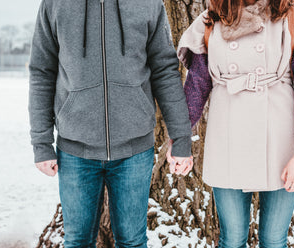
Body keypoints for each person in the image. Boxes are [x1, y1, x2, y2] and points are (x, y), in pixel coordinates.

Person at [28, 0, 194, 247]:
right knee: (77, 241)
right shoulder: (55, 4)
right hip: (75, 150)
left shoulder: (148, 3)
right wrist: (41, 143)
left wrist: (181, 138)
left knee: (132, 242)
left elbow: (165, 70)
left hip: (134, 151)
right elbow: (42, 71)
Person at [175, 0, 294, 247]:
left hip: (281, 143)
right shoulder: (211, 19)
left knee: (274, 240)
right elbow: (195, 89)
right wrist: (179, 141)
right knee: (232, 240)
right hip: (227, 140)